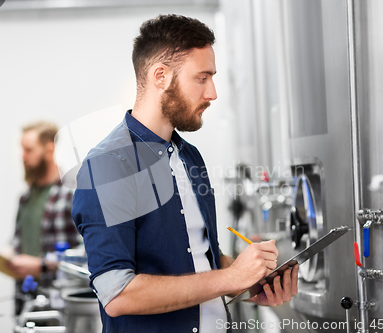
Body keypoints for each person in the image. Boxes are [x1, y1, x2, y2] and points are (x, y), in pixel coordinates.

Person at [72, 14, 299, 333]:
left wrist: (252, 284)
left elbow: (201, 260)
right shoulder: (109, 165)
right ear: (161, 76)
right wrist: (230, 278)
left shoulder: (190, 157)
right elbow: (117, 293)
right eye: (202, 78)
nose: (213, 93)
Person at [9, 121, 81, 285]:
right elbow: (18, 241)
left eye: (29, 150)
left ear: (49, 150)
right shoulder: (25, 197)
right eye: (22, 149)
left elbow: (88, 251)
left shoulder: (73, 193)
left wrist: (43, 265)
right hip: (26, 293)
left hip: (58, 295)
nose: (22, 156)